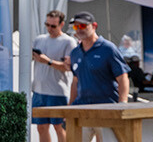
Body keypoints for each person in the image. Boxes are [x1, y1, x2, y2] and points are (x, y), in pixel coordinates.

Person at [67, 12, 130, 141]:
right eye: (76, 27)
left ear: (94, 26)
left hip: (106, 109)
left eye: (83, 26)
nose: (79, 30)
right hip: (82, 109)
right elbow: (75, 81)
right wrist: (69, 107)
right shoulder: (75, 52)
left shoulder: (108, 48)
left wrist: (122, 104)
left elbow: (122, 77)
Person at [32, 10, 78, 142]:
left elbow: (68, 67)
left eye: (53, 26)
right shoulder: (39, 39)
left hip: (57, 91)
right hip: (39, 90)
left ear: (61, 24)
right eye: (47, 25)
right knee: (41, 127)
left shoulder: (68, 41)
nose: (49, 28)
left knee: (59, 127)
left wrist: (48, 61)